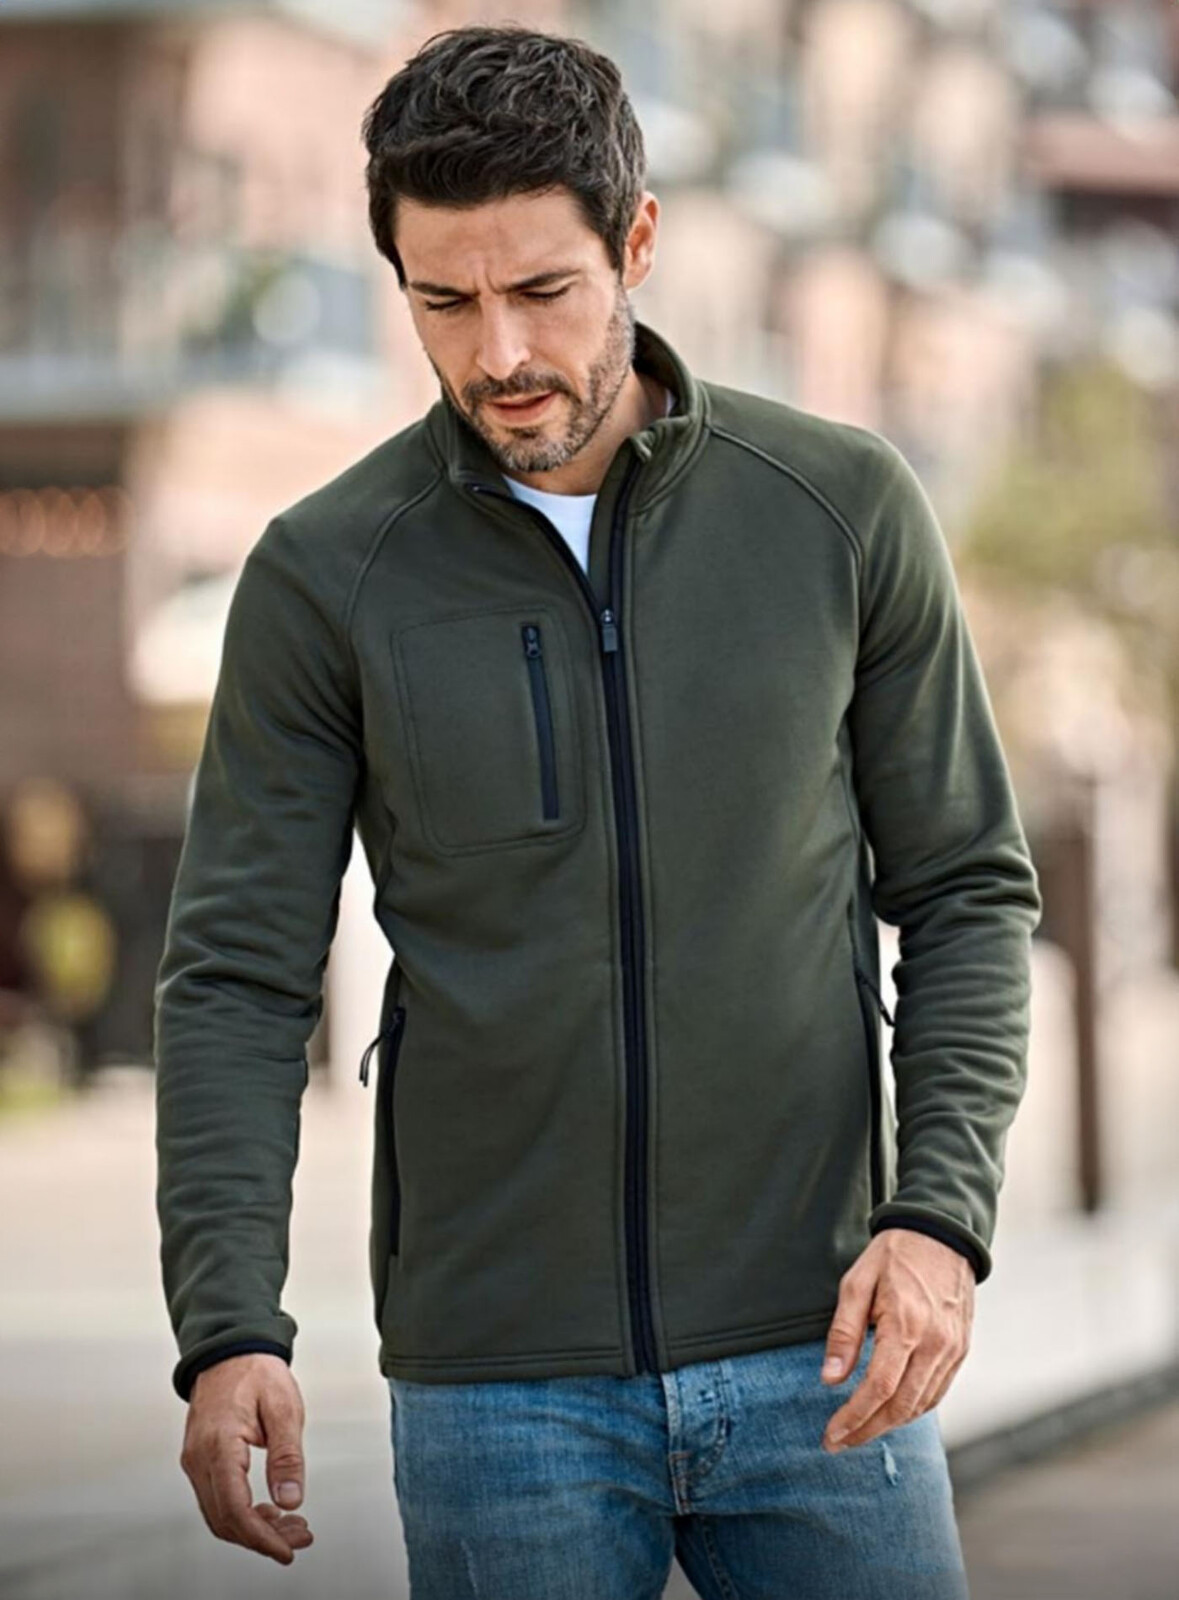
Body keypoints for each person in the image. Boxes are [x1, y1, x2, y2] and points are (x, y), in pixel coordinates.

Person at [154, 23, 1042, 1599]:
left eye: (543, 290)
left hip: (829, 1340)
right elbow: (236, 977)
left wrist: (941, 1222)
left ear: (636, 243)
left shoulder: (839, 511)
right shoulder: (326, 574)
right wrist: (228, 1326)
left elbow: (969, 890)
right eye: (444, 301)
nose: (499, 351)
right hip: (501, 1389)